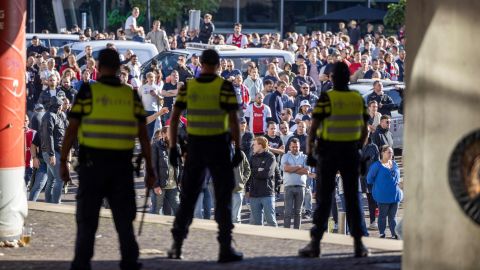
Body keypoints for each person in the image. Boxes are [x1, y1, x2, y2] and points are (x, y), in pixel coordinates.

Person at [59, 48, 155, 270]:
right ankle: (129, 261)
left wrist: (64, 161)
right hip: (121, 167)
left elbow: (71, 129)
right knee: (124, 220)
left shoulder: (86, 92)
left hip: (92, 166)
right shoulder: (130, 94)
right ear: (119, 68)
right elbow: (143, 135)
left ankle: (82, 263)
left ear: (98, 67)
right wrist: (150, 168)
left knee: (87, 220)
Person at [166, 49, 243, 262]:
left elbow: (173, 120)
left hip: (195, 147)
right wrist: (238, 148)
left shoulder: (189, 87)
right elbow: (235, 121)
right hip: (219, 147)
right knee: (222, 197)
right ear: (219, 65)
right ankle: (225, 247)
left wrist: (173, 148)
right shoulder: (225, 87)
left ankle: (177, 245)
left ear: (200, 63)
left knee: (189, 196)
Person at [299, 62, 369, 258]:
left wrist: (310, 152)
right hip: (350, 153)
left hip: (328, 153)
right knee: (352, 198)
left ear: (331, 78)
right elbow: (365, 130)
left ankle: (315, 245)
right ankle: (358, 245)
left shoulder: (326, 98)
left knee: (324, 199)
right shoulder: (357, 98)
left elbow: (313, 128)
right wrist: (358, 148)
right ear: (349, 78)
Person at [367, 145, 402, 239]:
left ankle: (394, 233)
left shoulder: (394, 164)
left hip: (395, 196)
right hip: (382, 196)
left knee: (393, 216)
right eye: (389, 152)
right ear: (382, 153)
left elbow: (397, 177)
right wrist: (380, 184)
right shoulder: (377, 165)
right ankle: (382, 233)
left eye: (392, 152)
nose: (391, 154)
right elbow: (369, 179)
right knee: (382, 216)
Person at [246, 136, 278, 227]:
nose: (252, 146)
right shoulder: (252, 157)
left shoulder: (271, 157)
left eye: (254, 144)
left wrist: (254, 172)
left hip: (267, 193)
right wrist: (247, 189)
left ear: (260, 145)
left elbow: (266, 174)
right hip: (254, 194)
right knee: (256, 224)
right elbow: (248, 173)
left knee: (271, 221)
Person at [152, 126, 181, 216]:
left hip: (173, 186)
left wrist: (180, 181)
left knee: (178, 209)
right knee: (157, 211)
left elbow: (180, 166)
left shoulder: (177, 147)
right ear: (163, 134)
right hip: (160, 185)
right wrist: (156, 185)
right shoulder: (155, 146)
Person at [281, 138, 309, 229]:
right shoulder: (285, 156)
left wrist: (291, 169)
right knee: (287, 212)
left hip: (301, 187)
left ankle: (296, 232)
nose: (295, 148)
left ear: (299, 146)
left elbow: (306, 171)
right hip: (288, 187)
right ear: (289, 147)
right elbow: (285, 169)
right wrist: (298, 166)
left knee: (298, 212)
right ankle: (286, 232)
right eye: (293, 147)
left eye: (296, 147)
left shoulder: (304, 157)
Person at [231, 145, 251, 223]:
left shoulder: (240, 153)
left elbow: (248, 169)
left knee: (235, 218)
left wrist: (242, 181)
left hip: (237, 189)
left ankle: (237, 234)